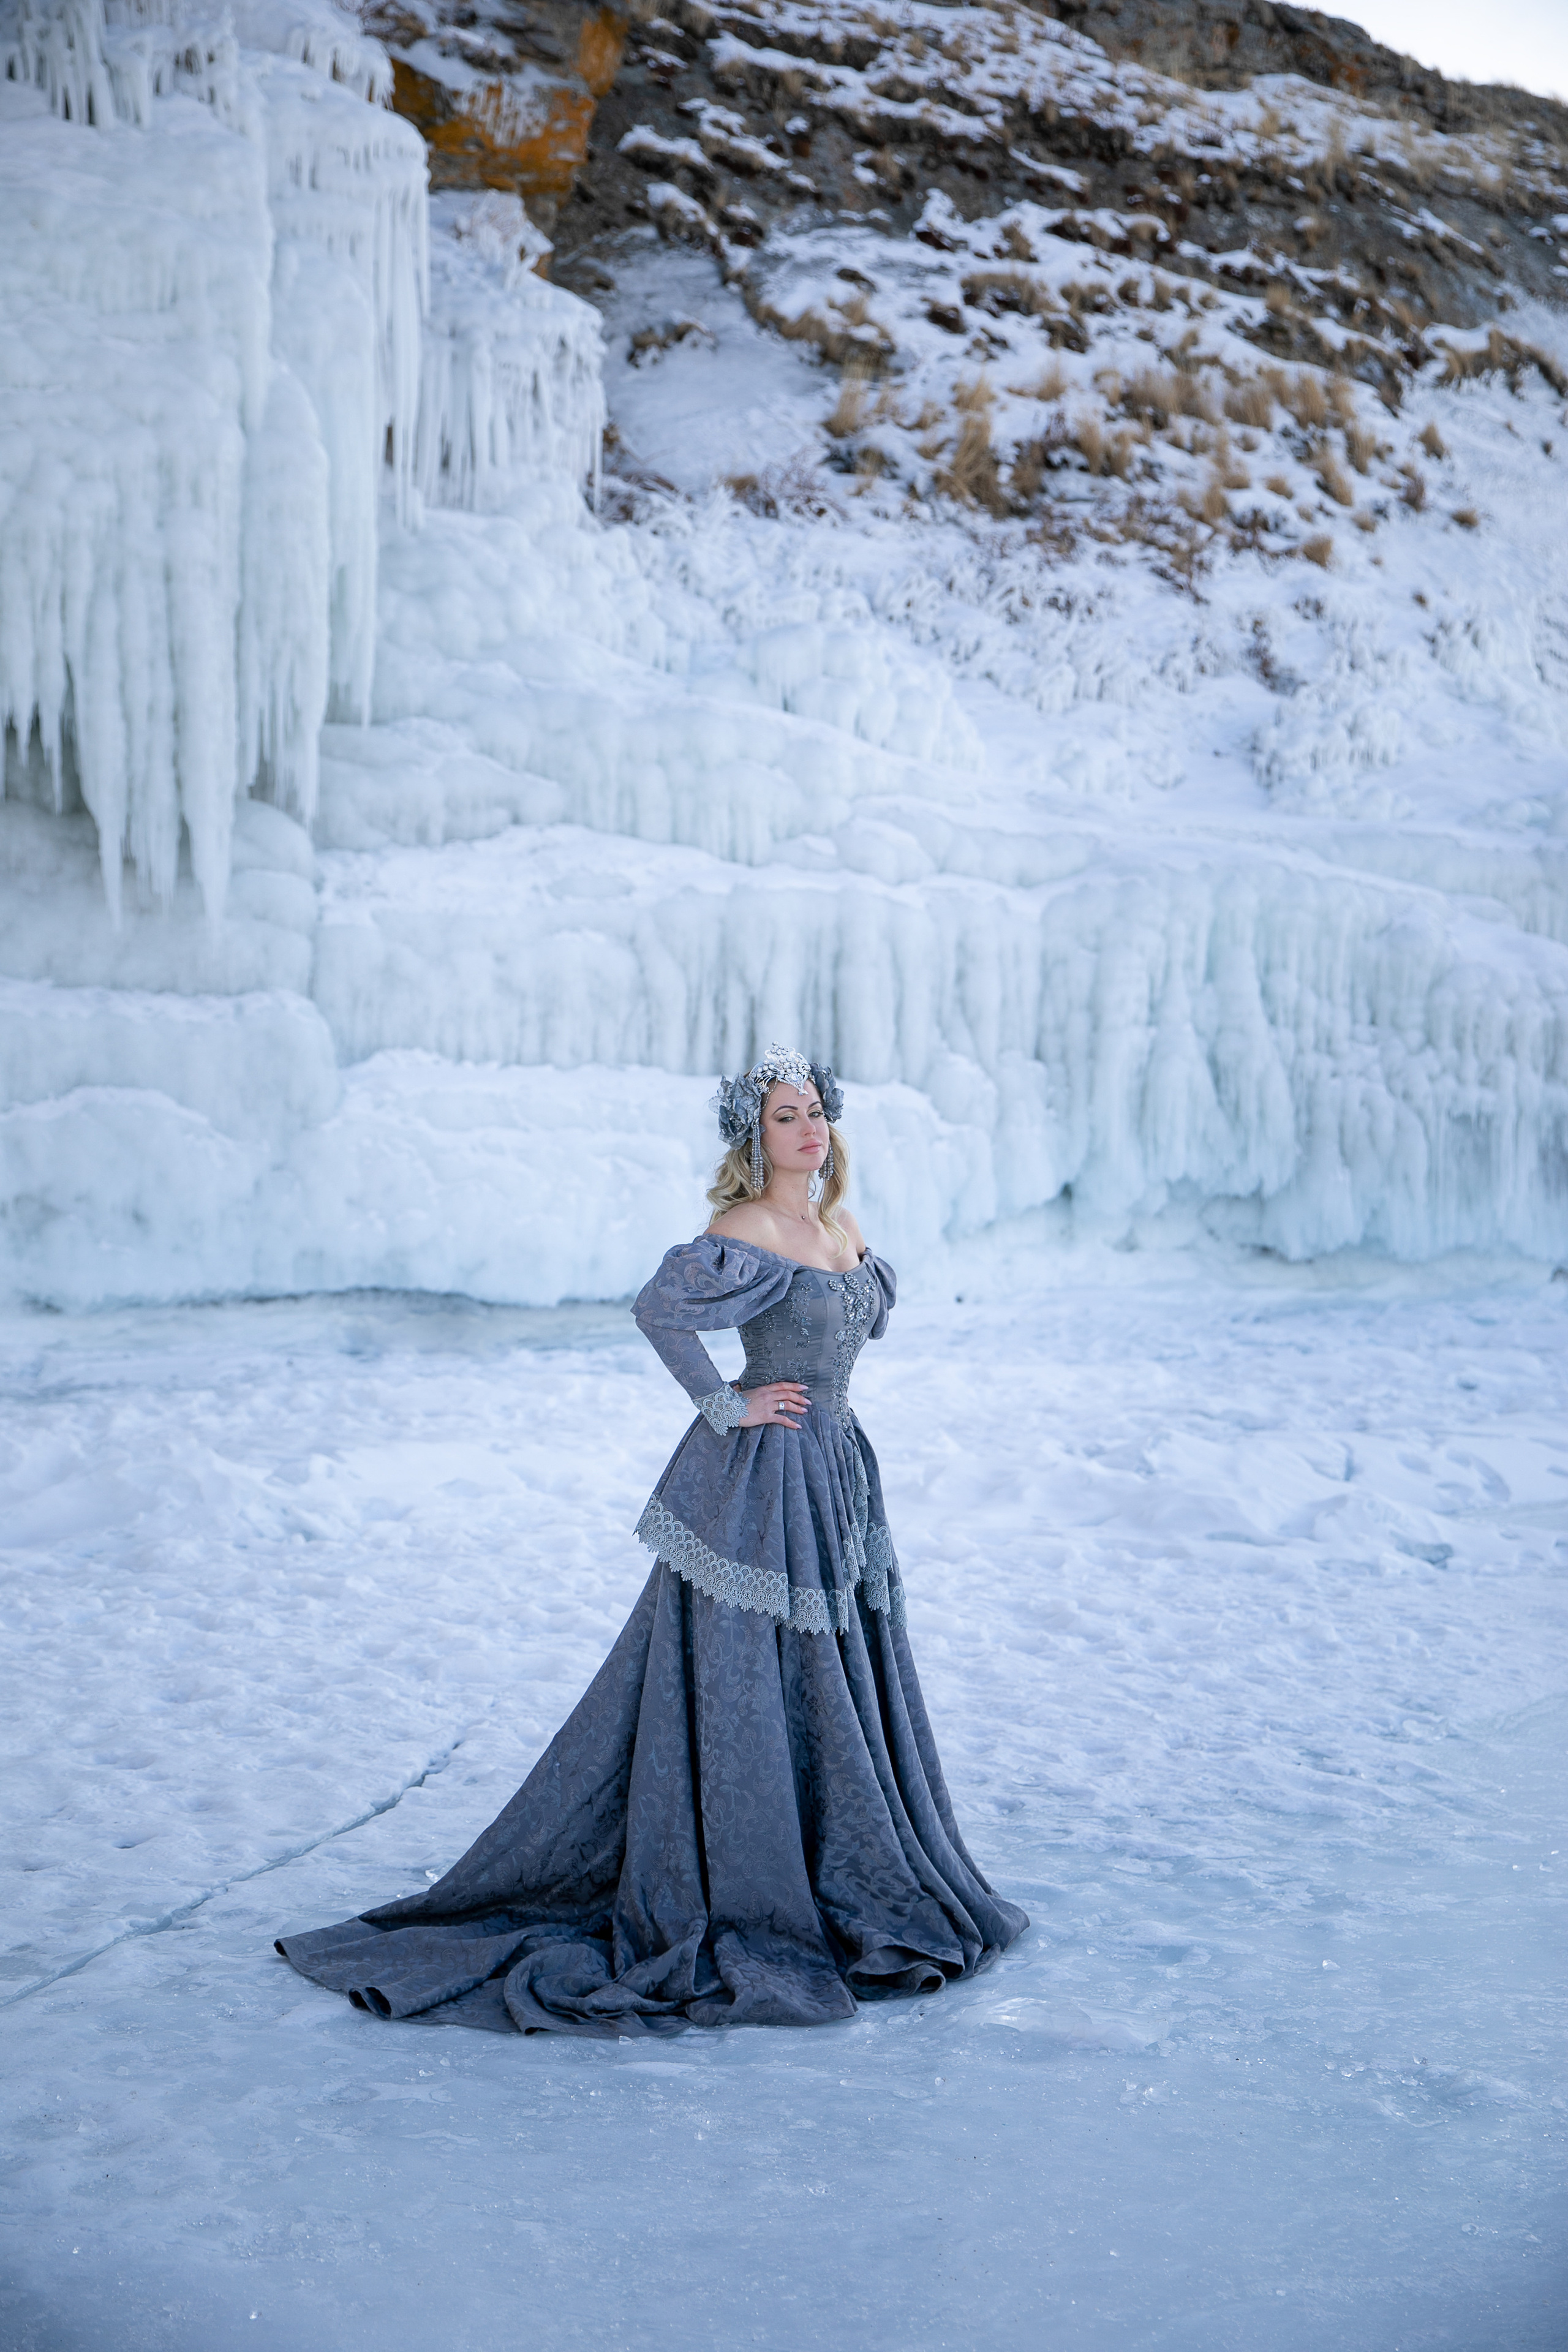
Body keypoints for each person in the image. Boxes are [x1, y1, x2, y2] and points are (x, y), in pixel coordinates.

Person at [276, 1046, 1027, 2035]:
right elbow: (658, 1312)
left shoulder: (838, 1226)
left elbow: (857, 1329)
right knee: (753, 1670)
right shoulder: (744, 1228)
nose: (808, 1130)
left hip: (839, 1469)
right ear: (754, 1140)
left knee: (835, 1665)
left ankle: (839, 1853)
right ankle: (751, 1876)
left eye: (815, 1113)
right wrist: (727, 1404)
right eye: (785, 1118)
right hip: (762, 1480)